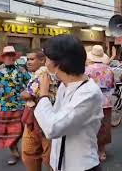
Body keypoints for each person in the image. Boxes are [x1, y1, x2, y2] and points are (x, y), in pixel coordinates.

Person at [34, 35, 103, 171]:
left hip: (81, 166)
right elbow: (54, 116)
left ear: (58, 64)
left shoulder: (89, 93)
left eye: (47, 59)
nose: (45, 64)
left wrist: (43, 94)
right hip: (60, 163)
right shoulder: (64, 85)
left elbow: (53, 128)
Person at [20, 50, 59, 171]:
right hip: (34, 119)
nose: (28, 62)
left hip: (43, 120)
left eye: (32, 59)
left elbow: (29, 95)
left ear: (42, 60)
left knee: (47, 156)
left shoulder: (43, 74)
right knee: (31, 153)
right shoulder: (37, 73)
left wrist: (23, 94)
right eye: (28, 59)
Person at [86, 45, 115, 162]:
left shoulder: (86, 70)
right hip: (106, 101)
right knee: (104, 126)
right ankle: (102, 150)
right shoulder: (109, 70)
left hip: (91, 101)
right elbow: (112, 85)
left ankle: (91, 150)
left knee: (91, 126)